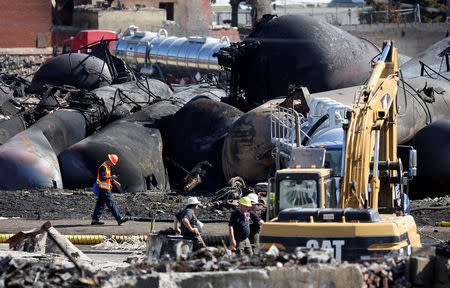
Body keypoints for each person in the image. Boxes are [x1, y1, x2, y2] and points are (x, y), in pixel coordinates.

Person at [91, 154, 126, 225]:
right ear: (109, 160)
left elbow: (106, 177)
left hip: (104, 189)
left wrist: (114, 181)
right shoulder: (103, 167)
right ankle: (119, 218)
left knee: (100, 204)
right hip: (104, 189)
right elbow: (102, 178)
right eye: (112, 163)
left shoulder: (107, 167)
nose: (112, 165)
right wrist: (111, 177)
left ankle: (95, 220)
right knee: (110, 204)